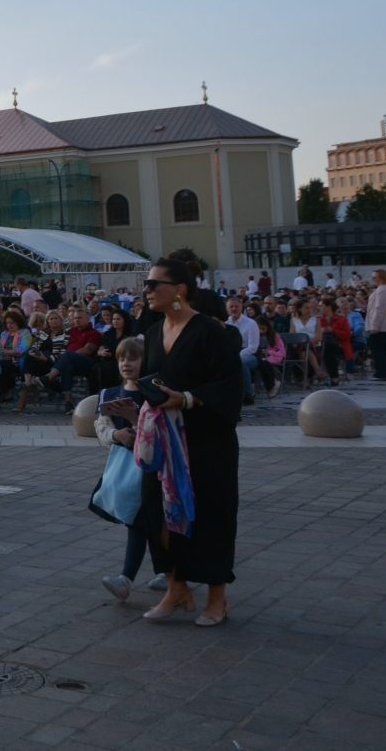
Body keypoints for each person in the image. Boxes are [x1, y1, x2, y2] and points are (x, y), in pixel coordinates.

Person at [101, 259, 241, 627]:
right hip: (163, 441)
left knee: (211, 514)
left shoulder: (209, 331)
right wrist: (137, 412)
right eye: (145, 284)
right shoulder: (152, 331)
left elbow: (231, 387)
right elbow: (153, 384)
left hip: (207, 440)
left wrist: (188, 399)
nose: (146, 290)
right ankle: (176, 588)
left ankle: (217, 597)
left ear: (179, 289)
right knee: (157, 512)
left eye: (153, 284)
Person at [96, 336, 167, 602]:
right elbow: (101, 426)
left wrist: (134, 421)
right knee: (140, 519)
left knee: (146, 519)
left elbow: (160, 432)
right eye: (122, 359)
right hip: (124, 464)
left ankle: (130, 578)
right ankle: (164, 571)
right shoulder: (110, 393)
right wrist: (116, 435)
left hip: (153, 466)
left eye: (133, 358)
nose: (126, 363)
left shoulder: (155, 393)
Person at [369, 270, 386, 381]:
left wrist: (374, 326)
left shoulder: (383, 290)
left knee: (378, 349)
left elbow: (379, 309)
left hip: (383, 325)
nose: (373, 279)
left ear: (382, 278)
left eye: (375, 277)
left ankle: (381, 373)